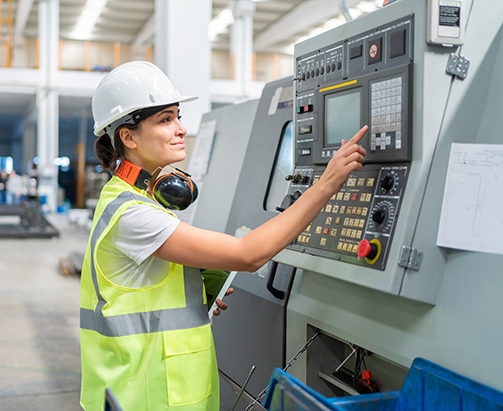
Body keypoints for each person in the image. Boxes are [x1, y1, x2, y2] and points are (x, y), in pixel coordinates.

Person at [79, 61, 368, 411]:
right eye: (165, 120)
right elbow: (249, 254)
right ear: (128, 136)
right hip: (146, 395)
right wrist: (326, 185)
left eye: (178, 117)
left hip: (157, 389)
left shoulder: (133, 198)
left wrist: (197, 290)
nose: (181, 129)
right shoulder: (133, 214)